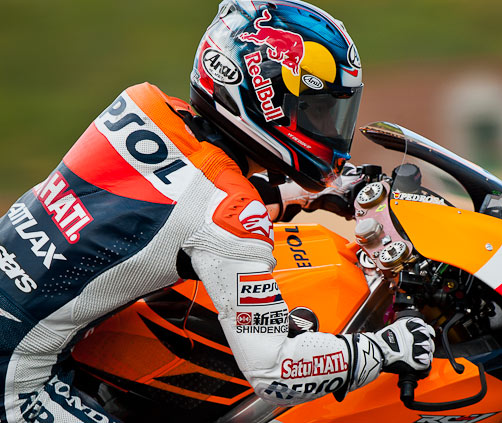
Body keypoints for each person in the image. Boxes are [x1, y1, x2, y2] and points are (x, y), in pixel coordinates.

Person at [0, 0, 435, 421]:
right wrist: (385, 348)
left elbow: (178, 200)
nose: (329, 130)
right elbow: (275, 372)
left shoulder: (140, 108)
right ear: (269, 99)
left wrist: (307, 194)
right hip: (13, 382)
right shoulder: (229, 213)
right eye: (317, 111)